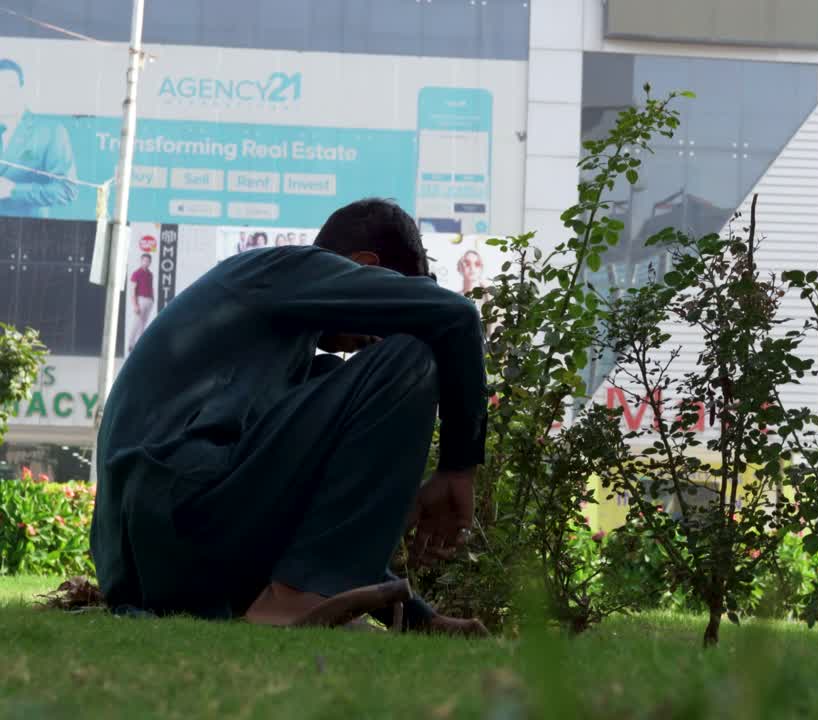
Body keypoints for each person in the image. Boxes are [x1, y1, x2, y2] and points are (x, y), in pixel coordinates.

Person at [90, 198, 489, 636]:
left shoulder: (277, 352)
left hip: (148, 564)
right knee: (410, 360)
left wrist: (421, 619)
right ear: (364, 266)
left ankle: (296, 597)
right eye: (389, 311)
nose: (372, 339)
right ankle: (293, 599)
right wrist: (458, 468)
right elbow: (457, 316)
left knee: (332, 377)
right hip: (182, 503)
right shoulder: (287, 268)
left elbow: (308, 515)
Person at [0, 59, 77, 217]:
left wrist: (13, 190)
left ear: (22, 90)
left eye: (10, 88)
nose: (3, 95)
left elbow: (66, 189)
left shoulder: (50, 131)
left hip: (28, 233)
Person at [127, 253, 155, 353]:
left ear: (150, 262)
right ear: (141, 261)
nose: (146, 263)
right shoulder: (136, 273)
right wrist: (135, 304)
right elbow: (133, 289)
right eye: (144, 260)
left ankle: (139, 345)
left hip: (149, 300)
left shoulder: (150, 274)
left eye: (148, 261)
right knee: (136, 323)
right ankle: (131, 344)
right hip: (140, 299)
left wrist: (152, 298)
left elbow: (150, 287)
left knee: (143, 324)